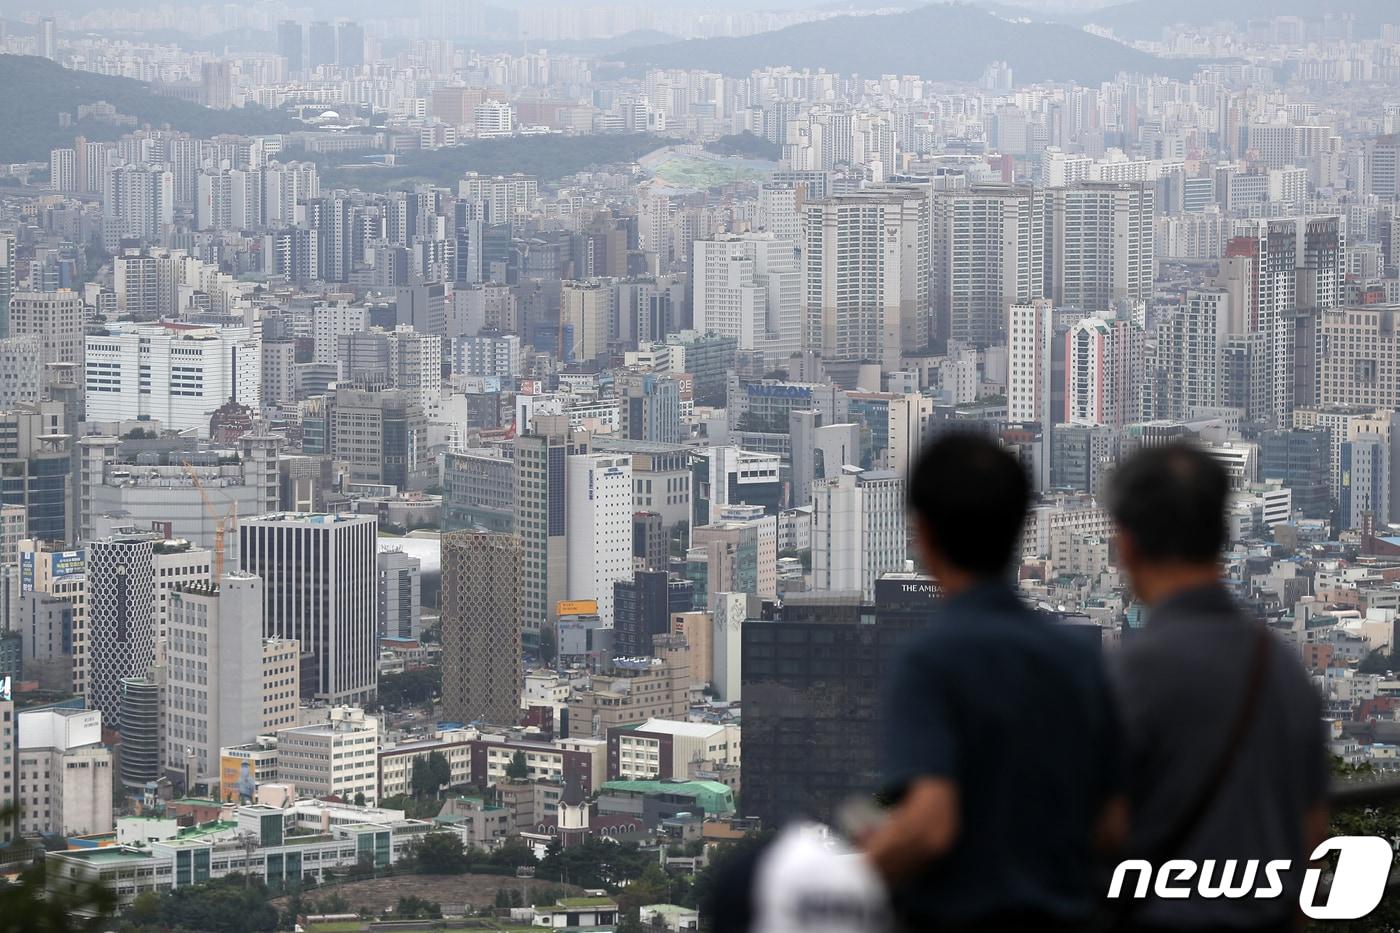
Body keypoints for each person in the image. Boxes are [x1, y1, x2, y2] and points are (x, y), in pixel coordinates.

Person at [863, 431, 1125, 932]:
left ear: (923, 534)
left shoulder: (930, 660)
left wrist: (849, 875)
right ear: (1020, 529)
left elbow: (929, 825)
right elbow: (1115, 821)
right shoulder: (1078, 656)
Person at [1105, 443, 1328, 933]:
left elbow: (1106, 829)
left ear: (1127, 545)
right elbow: (1311, 835)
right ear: (1222, 535)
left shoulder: (1130, 674)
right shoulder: (1284, 669)